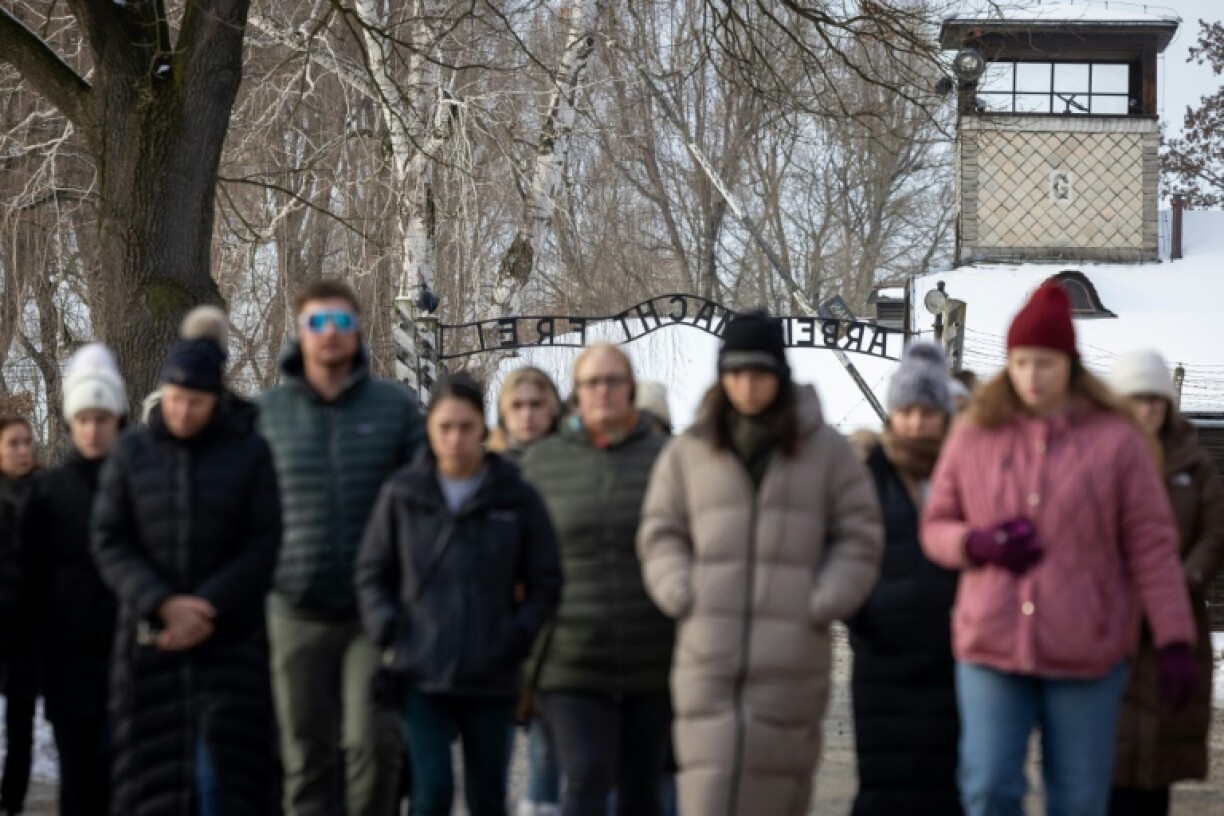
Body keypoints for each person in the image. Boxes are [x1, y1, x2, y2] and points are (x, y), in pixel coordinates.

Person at [921, 282, 1199, 816]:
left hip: (1087, 649)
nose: (1031, 376)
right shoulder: (975, 433)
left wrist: (1173, 640)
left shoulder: (1117, 442)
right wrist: (974, 542)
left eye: (1044, 363)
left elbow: (1152, 548)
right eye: (1021, 362)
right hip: (991, 644)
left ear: (1069, 363)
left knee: (1078, 799)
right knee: (987, 788)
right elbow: (935, 524)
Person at [637, 311, 884, 816]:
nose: (747, 385)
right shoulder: (689, 452)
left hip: (792, 658)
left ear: (780, 374)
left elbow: (860, 537)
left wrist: (819, 600)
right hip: (706, 653)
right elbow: (660, 532)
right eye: (736, 372)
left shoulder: (826, 452)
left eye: (760, 372)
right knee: (707, 793)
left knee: (778, 796)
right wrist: (682, 592)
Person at [92, 307, 281, 814]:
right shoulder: (131, 454)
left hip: (230, 646)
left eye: (194, 403)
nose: (182, 413)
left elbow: (264, 543)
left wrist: (205, 607)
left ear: (214, 400)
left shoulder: (249, 453)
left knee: (222, 782)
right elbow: (110, 539)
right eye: (174, 400)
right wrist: (161, 603)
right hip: (151, 646)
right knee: (153, 788)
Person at [356, 373, 562, 816]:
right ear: (429, 427)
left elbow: (546, 578)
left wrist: (518, 635)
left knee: (487, 794)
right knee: (431, 791)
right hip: (421, 668)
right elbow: (372, 571)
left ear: (483, 428)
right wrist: (388, 629)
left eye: (466, 427)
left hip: (492, 668)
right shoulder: (402, 494)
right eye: (445, 427)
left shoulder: (514, 495)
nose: (455, 439)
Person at [256, 278, 423, 816]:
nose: (331, 334)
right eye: (318, 323)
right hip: (292, 608)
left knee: (373, 745)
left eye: (342, 322)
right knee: (305, 756)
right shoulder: (266, 414)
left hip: (370, 612)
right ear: (299, 333)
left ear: (357, 330)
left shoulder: (395, 408)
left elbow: (425, 503)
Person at [521, 343, 673, 816]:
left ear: (630, 388)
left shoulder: (669, 457)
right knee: (586, 774)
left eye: (613, 381)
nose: (602, 391)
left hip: (653, 658)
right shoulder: (542, 462)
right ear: (576, 393)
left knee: (641, 789)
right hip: (571, 658)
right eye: (591, 382)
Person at [845, 342, 961, 816]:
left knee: (944, 788)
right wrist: (863, 616)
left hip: (952, 660)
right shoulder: (866, 475)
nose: (916, 423)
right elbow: (843, 551)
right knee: (882, 789)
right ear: (892, 414)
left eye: (927, 411)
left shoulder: (965, 472)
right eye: (907, 410)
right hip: (881, 661)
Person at [1108, 350, 1224, 816]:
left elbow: (1216, 531)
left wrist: (1180, 582)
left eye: (1153, 399)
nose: (1146, 409)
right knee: (1108, 754)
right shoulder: (1099, 459)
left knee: (1158, 757)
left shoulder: (1193, 464)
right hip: (1111, 624)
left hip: (1176, 624)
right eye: (1135, 399)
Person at [21, 345, 127, 816]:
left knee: (123, 779)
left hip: (128, 658)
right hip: (66, 660)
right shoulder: (47, 491)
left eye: (102, 418)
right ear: (70, 421)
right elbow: (28, 575)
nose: (93, 428)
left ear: (117, 420)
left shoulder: (135, 484)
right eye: (83, 418)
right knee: (78, 780)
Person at [0, 414, 36, 816]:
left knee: (21, 726)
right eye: (13, 443)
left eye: (27, 442)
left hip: (28, 633)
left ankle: (12, 802)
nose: (23, 450)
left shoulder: (43, 495)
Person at [488, 366, 562, 462]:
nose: (527, 415)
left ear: (553, 408)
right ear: (503, 412)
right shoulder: (483, 468)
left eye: (536, 404)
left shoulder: (576, 461)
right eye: (517, 405)